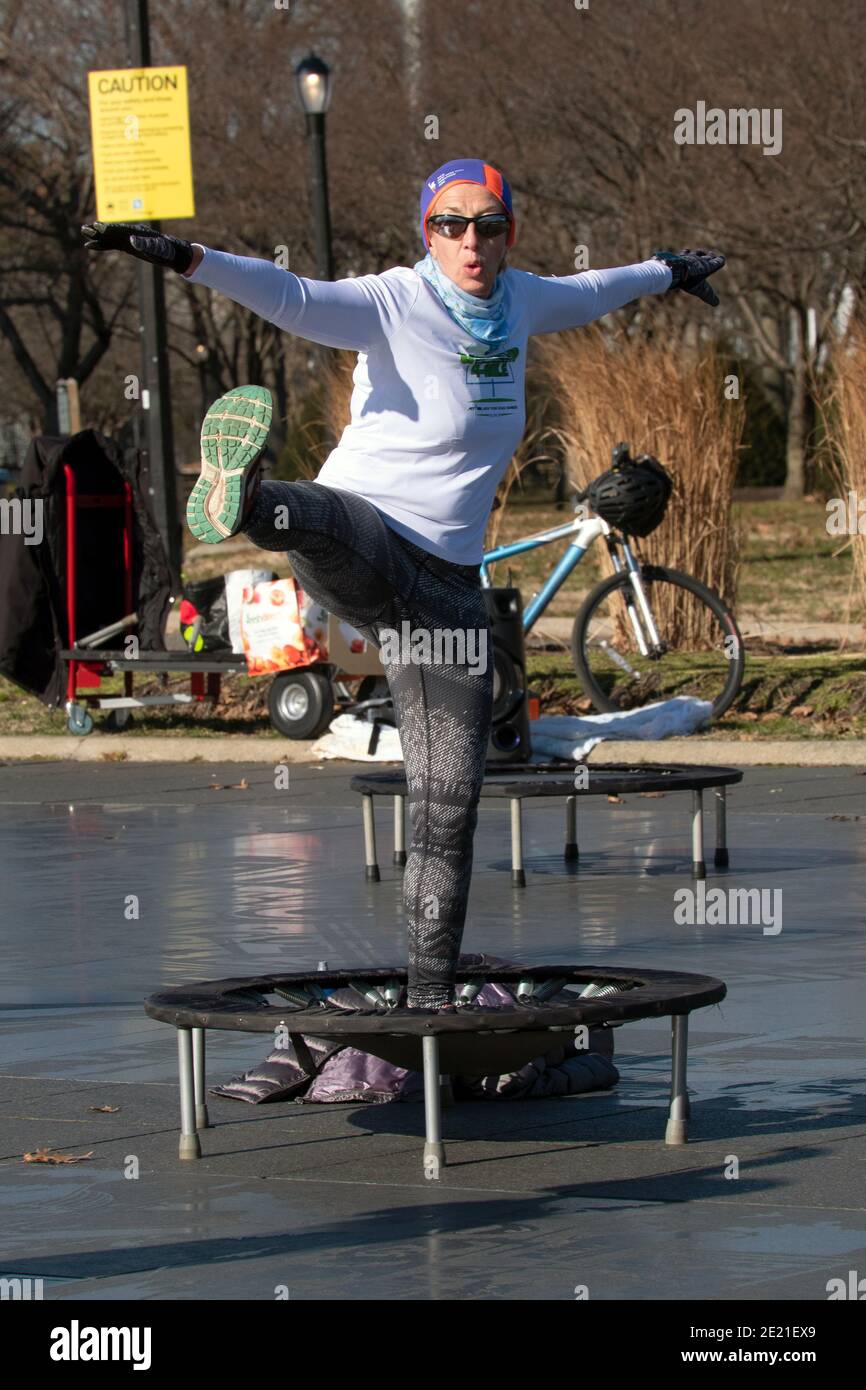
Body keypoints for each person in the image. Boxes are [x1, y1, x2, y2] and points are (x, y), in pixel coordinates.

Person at [82, 158, 724, 1010]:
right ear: (426, 232)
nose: (469, 240)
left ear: (508, 235)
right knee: (320, 516)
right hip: (367, 537)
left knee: (448, 808)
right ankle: (247, 499)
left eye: (487, 225)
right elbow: (294, 296)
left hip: (449, 595)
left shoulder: (523, 298)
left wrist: (669, 271)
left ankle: (428, 999)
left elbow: (595, 288)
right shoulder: (395, 300)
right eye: (449, 225)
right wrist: (184, 257)